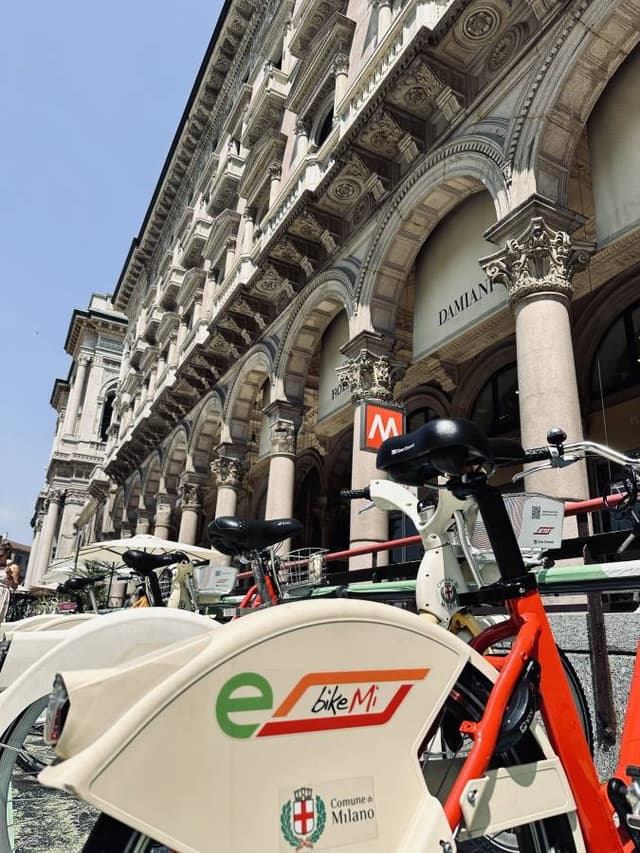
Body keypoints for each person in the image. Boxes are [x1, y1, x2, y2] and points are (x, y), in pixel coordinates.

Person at [0, 542, 19, 623]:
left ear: (6, 554)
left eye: (0, 555)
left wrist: (9, 575)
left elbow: (14, 586)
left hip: (2, 593)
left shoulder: (13, 567)